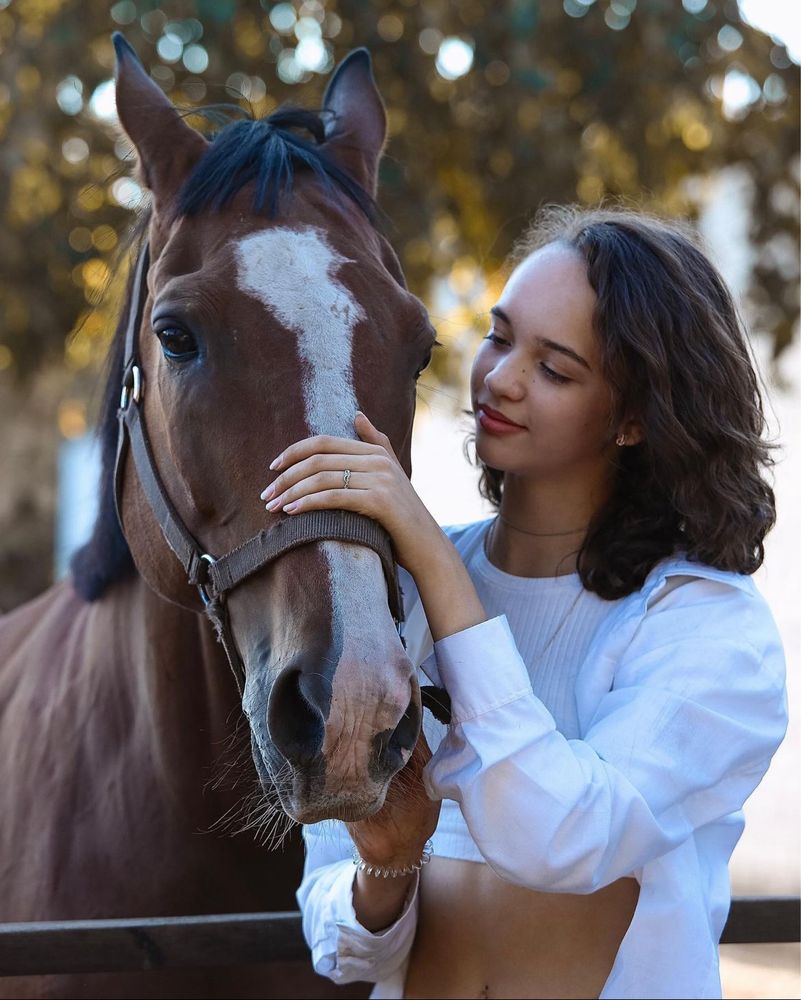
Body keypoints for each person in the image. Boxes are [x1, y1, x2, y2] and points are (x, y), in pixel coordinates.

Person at [259, 205, 788, 999]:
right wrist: (387, 865)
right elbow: (339, 942)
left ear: (635, 419)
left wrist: (432, 557)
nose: (499, 379)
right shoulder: (393, 598)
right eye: (499, 337)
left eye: (555, 368)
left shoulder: (706, 628)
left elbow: (564, 836)